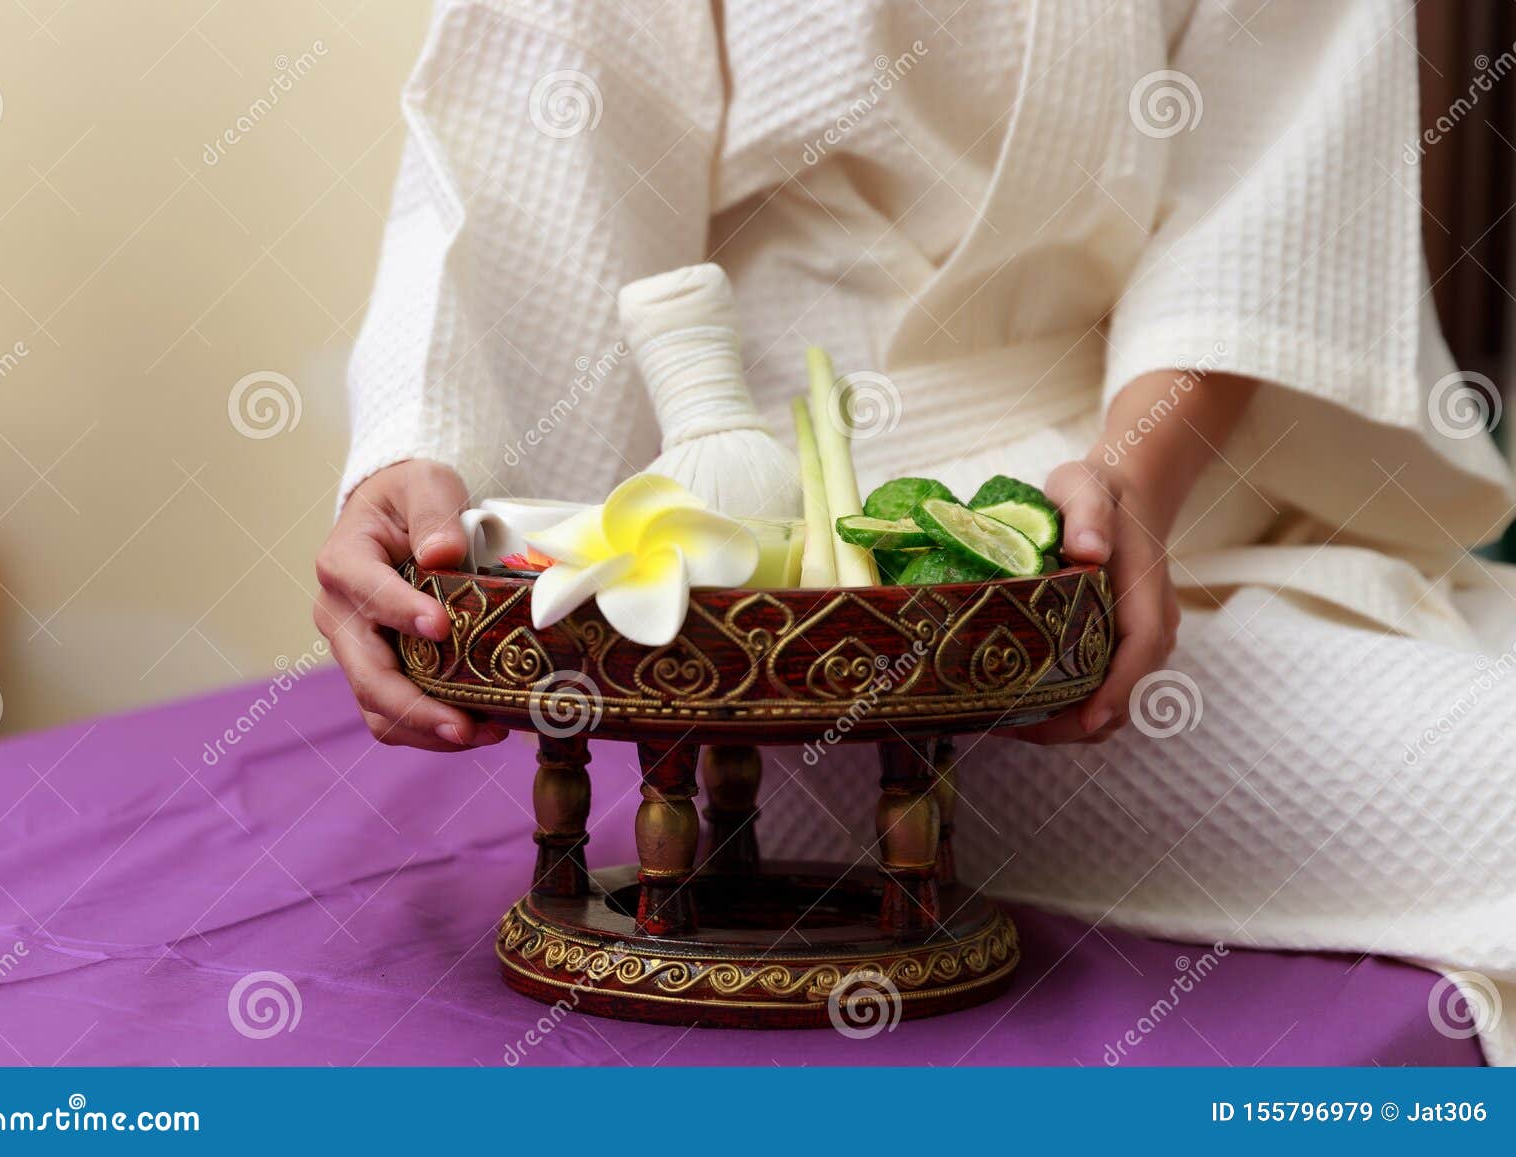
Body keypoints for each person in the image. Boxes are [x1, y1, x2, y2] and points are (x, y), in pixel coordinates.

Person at [315, 1, 1516, 1061]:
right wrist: (420, 452)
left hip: (1137, 518)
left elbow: (1265, 196)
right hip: (797, 618)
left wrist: (1123, 485)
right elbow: (528, 150)